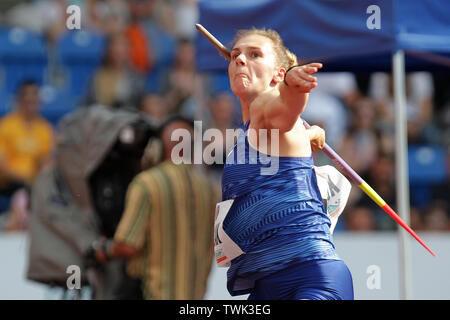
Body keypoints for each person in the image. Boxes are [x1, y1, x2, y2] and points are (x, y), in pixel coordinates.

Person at [219, 27, 354, 300]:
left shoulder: (265, 107)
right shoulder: (254, 132)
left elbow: (283, 107)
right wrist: (311, 133)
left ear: (278, 74)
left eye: (254, 54)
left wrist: (293, 85)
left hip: (310, 278)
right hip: (265, 285)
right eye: (235, 56)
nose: (240, 60)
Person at [91, 116, 218, 299]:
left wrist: (102, 248)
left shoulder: (147, 183)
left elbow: (128, 245)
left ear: (158, 147)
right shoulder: (207, 187)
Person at [0, 79, 54, 230]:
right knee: (22, 193)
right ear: (19, 100)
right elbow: (2, 165)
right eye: (27, 100)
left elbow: (47, 161)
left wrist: (37, 178)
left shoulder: (44, 129)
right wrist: (27, 178)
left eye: (34, 100)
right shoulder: (6, 126)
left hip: (35, 184)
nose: (31, 104)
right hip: (11, 183)